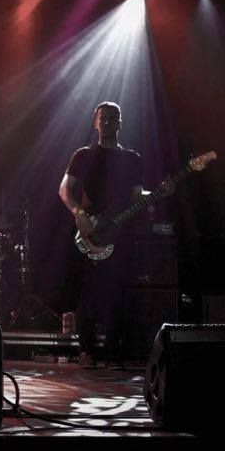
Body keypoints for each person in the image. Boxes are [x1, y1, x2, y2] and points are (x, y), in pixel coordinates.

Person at [58, 101, 172, 367]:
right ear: (95, 123)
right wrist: (79, 213)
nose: (108, 122)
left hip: (120, 232)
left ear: (120, 123)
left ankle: (112, 351)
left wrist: (159, 193)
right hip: (90, 231)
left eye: (113, 118)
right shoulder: (83, 155)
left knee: (117, 291)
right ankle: (86, 351)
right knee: (88, 290)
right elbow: (64, 189)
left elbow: (137, 196)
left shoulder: (132, 158)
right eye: (104, 118)